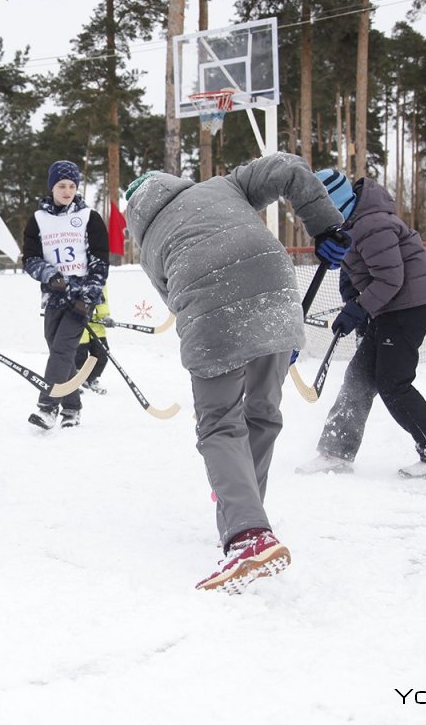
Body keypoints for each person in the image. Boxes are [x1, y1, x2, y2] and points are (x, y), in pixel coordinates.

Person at [124, 152, 348, 593]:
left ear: (134, 216)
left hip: (210, 308)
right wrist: (325, 224)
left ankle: (248, 533)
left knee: (220, 424)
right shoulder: (222, 185)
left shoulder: (149, 241)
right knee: (263, 411)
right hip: (276, 287)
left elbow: (174, 299)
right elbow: (285, 167)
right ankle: (246, 510)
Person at [297, 169, 426, 481]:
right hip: (391, 307)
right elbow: (354, 269)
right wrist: (353, 300)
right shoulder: (352, 224)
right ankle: (336, 451)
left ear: (331, 202)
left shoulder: (373, 223)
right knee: (358, 377)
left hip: (408, 307)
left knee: (393, 383)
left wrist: (359, 309)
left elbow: (390, 278)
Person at [22, 160, 109, 429]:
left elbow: (100, 261)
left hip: (81, 298)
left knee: (61, 350)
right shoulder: (37, 220)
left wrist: (90, 295)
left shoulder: (89, 217)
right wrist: (50, 275)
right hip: (53, 296)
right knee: (60, 351)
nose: (68, 190)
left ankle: (47, 408)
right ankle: (72, 408)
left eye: (72, 185)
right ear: (52, 187)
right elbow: (30, 259)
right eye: (62, 185)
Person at [76, 288, 111, 395]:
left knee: (102, 354)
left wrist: (105, 316)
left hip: (96, 324)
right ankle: (74, 382)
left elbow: (103, 298)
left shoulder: (99, 276)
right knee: (78, 357)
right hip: (77, 322)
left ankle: (91, 378)